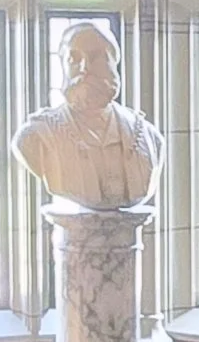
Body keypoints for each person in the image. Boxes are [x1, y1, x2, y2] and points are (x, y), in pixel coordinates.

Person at [12, 23, 163, 209]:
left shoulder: (148, 137)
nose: (85, 68)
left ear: (113, 63)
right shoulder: (35, 136)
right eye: (74, 59)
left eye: (96, 57)